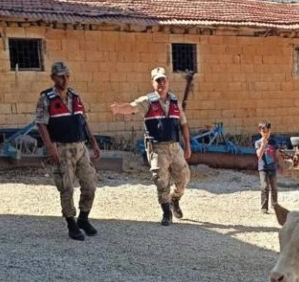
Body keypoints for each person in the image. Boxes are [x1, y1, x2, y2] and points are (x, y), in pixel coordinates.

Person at [109, 67, 192, 226]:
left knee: (184, 178)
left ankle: (175, 199)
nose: (161, 83)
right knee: (161, 180)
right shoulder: (147, 101)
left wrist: (187, 145)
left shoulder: (175, 102)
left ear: (167, 82)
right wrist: (119, 108)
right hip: (157, 148)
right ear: (153, 83)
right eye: (157, 80)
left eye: (163, 80)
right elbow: (132, 107)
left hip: (175, 147)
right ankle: (166, 212)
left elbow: (184, 124)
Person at [35, 61, 101, 241]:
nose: (65, 80)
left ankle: (83, 219)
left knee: (90, 185)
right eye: (60, 76)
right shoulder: (46, 98)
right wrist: (51, 148)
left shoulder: (75, 96)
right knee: (66, 187)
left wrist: (94, 143)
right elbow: (41, 124)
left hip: (80, 147)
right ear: (53, 77)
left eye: (67, 76)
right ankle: (71, 224)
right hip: (61, 147)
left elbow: (84, 121)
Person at [254, 121, 278, 214]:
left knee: (274, 187)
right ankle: (264, 207)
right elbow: (259, 155)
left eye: (267, 131)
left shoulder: (273, 142)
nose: (266, 134)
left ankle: (275, 206)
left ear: (270, 131)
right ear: (260, 131)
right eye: (264, 132)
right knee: (264, 186)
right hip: (263, 168)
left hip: (272, 168)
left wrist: (281, 165)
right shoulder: (258, 142)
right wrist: (263, 145)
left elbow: (276, 154)